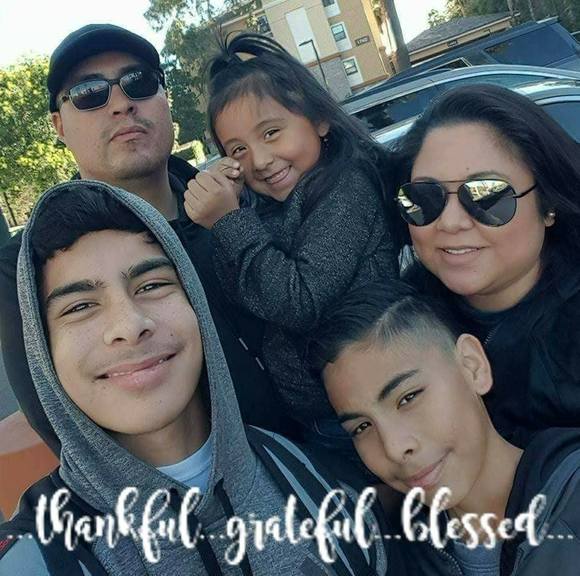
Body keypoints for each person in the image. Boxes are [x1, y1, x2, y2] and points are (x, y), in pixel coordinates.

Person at [0, 181, 392, 575]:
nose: (130, 325)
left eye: (152, 285)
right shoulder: (33, 559)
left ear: (196, 304)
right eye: (80, 307)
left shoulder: (321, 485)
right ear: (43, 348)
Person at [0, 24, 296, 454]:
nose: (121, 103)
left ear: (165, 99)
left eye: (138, 82)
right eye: (89, 93)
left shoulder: (251, 194)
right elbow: (67, 432)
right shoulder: (27, 268)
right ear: (58, 125)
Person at [185, 33, 400, 448]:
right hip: (319, 416)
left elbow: (299, 301)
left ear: (319, 120)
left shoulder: (347, 188)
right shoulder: (268, 206)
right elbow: (247, 295)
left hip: (367, 410)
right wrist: (230, 211)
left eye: (271, 133)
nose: (261, 160)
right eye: (239, 150)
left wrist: (229, 222)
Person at [313, 282, 580, 576]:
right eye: (362, 426)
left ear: (472, 366)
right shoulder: (393, 556)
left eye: (408, 398)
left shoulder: (571, 502)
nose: (394, 448)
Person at [391, 84, 580, 447]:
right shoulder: (400, 321)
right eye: (425, 198)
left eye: (487, 196)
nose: (449, 222)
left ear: (548, 204)